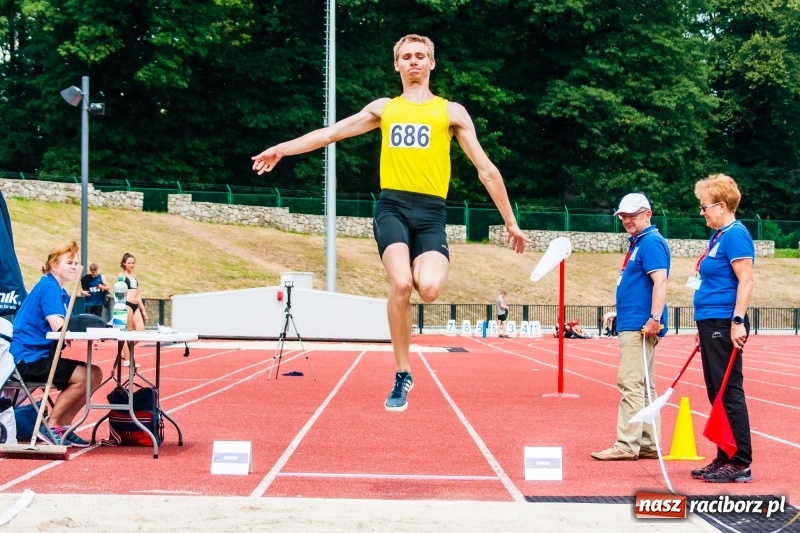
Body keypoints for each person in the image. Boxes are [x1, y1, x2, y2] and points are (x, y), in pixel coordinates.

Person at [252, 34, 530, 411]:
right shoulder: (384, 109)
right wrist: (282, 148)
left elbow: (486, 170)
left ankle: (420, 269)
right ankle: (402, 372)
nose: (413, 62)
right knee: (401, 283)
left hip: (432, 213)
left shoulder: (451, 113)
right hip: (392, 207)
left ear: (432, 63)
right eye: (406, 57)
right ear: (396, 65)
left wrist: (510, 222)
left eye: (420, 56)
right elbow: (331, 134)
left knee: (428, 289)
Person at [592, 193, 670, 461]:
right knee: (645, 385)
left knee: (631, 383)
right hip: (636, 320)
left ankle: (627, 444)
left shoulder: (649, 243)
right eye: (623, 215)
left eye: (632, 215)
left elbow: (661, 281)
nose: (627, 220)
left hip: (640, 325)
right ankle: (649, 443)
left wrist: (654, 318)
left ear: (648, 214)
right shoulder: (640, 242)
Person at [689, 174, 754, 483]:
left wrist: (738, 320)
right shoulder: (717, 236)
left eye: (705, 207)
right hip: (709, 321)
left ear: (722, 206)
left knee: (729, 392)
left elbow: (746, 280)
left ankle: (740, 461)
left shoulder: (736, 235)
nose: (702, 213)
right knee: (716, 394)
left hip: (725, 320)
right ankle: (724, 454)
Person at [10, 240, 102, 447]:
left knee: (95, 373)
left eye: (76, 263)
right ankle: (51, 427)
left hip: (41, 357)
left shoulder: (59, 290)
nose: (74, 267)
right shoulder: (48, 287)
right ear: (53, 264)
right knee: (85, 376)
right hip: (27, 359)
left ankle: (63, 427)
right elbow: (58, 327)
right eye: (69, 262)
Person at [119, 253, 149, 367]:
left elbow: (138, 294)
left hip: (136, 305)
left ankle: (124, 350)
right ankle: (128, 359)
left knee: (141, 332)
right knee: (129, 333)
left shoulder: (134, 276)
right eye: (129, 263)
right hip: (127, 304)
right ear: (124, 264)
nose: (131, 265)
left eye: (133, 263)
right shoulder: (121, 275)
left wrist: (143, 310)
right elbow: (119, 290)